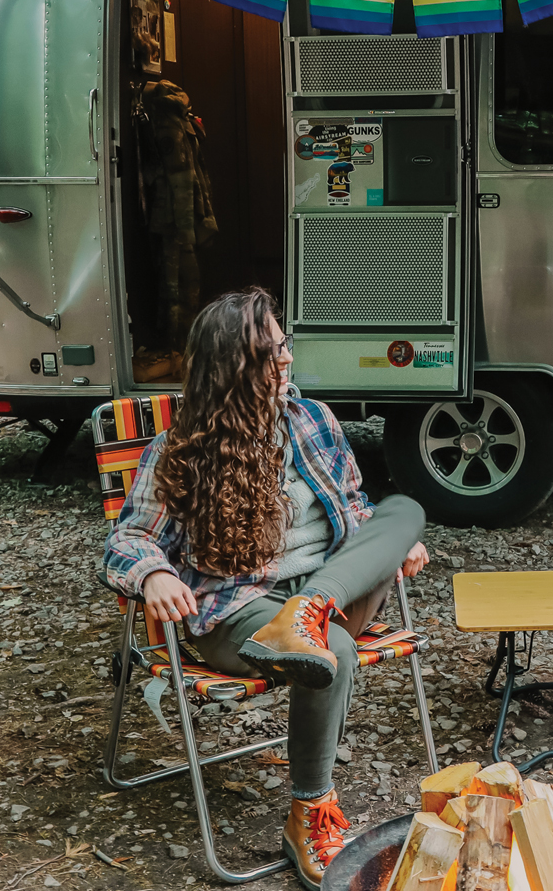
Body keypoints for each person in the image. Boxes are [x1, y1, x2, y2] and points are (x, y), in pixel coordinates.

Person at [100, 288, 429, 888]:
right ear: (228, 368)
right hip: (240, 610)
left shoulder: (313, 421)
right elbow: (127, 542)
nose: (284, 362)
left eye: (284, 347)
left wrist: (388, 544)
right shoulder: (179, 451)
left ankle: (306, 612)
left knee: (404, 509)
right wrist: (154, 573)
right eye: (266, 355)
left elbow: (357, 506)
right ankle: (310, 810)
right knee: (335, 650)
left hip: (326, 591)